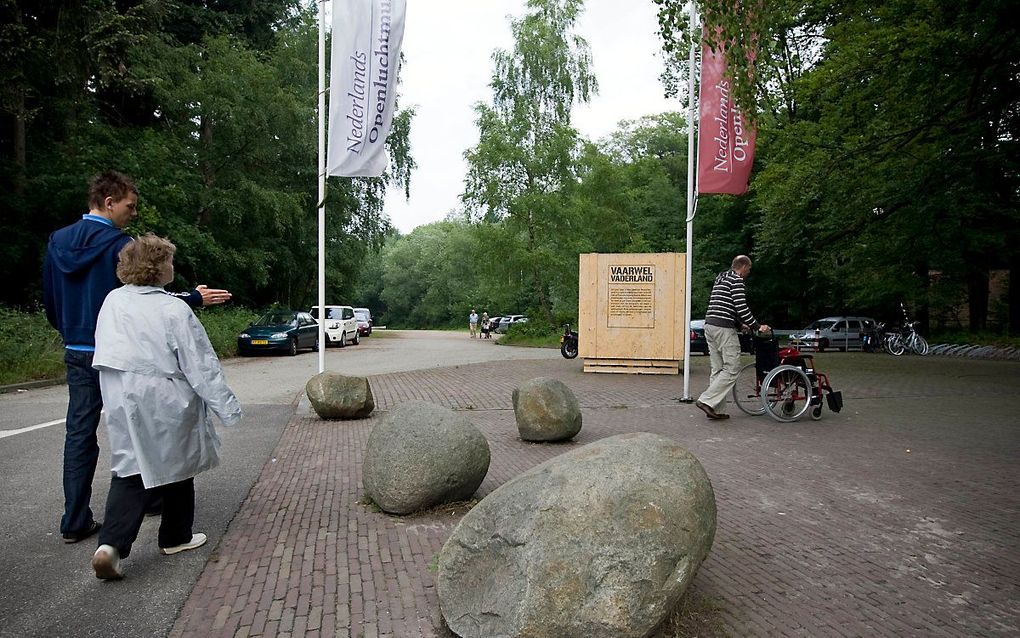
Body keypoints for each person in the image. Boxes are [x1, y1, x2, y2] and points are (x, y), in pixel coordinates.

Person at [42, 170, 231, 544]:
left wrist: (70, 332)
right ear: (109, 202)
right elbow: (144, 299)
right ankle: (156, 499)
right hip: (122, 352)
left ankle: (75, 519)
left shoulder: (57, 242)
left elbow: (50, 298)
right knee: (141, 424)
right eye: (129, 206)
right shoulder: (119, 245)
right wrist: (193, 298)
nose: (133, 213)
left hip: (78, 350)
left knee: (79, 433)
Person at [90, 234, 242, 579]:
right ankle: (176, 535)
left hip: (120, 394)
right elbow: (199, 363)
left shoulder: (113, 301)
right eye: (170, 261)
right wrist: (227, 407)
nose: (173, 267)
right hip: (165, 395)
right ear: (158, 268)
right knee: (178, 461)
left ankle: (110, 546)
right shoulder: (173, 309)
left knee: (131, 464)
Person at [696, 255, 770, 420]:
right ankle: (706, 400)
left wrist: (739, 325)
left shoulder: (721, 277)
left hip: (710, 325)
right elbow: (741, 307)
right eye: (749, 269)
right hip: (723, 329)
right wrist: (758, 327)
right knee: (732, 368)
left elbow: (724, 305)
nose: (748, 273)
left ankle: (716, 408)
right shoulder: (737, 280)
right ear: (743, 267)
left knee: (717, 368)